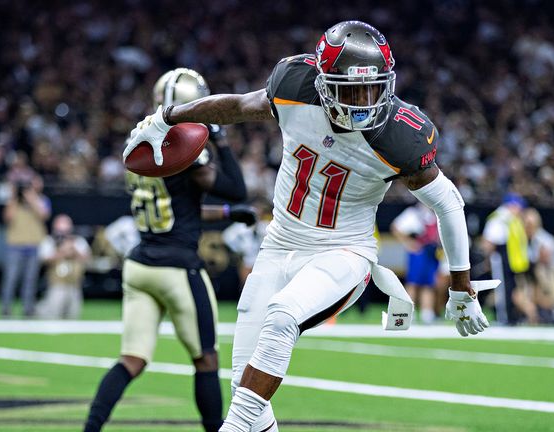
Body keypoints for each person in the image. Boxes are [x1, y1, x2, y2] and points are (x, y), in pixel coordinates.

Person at [125, 21, 487, 432]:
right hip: (280, 243)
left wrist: (461, 283)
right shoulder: (295, 85)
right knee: (247, 387)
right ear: (322, 81)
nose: (363, 102)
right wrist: (167, 116)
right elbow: (241, 106)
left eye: (372, 89)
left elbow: (448, 202)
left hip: (344, 251)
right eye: (350, 90)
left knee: (280, 322)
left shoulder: (400, 134)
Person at [84, 68, 250, 432]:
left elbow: (176, 207)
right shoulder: (183, 145)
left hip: (140, 264)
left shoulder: (140, 139)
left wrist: (224, 214)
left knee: (131, 360)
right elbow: (235, 187)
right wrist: (219, 137)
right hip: (178, 269)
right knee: (206, 360)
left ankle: (90, 429)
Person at [0, 175, 51, 317]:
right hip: (15, 245)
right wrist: (14, 197)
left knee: (30, 280)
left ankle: (28, 309)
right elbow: (7, 218)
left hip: (33, 245)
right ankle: (5, 308)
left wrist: (32, 198)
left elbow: (44, 215)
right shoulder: (13, 201)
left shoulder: (41, 200)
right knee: (11, 279)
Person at [480, 193, 534, 325]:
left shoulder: (510, 219)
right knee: (503, 289)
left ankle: (509, 317)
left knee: (509, 289)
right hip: (500, 258)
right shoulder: (499, 218)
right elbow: (489, 242)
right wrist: (488, 259)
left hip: (510, 260)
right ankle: (503, 318)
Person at [391, 203, 440, 324]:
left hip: (432, 252)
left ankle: (427, 314)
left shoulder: (434, 213)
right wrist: (408, 243)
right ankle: (407, 313)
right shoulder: (413, 213)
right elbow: (395, 228)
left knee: (429, 284)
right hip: (419, 253)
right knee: (413, 283)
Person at [36, 214, 90, 319]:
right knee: (53, 314)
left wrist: (74, 250)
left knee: (73, 315)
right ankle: (39, 309)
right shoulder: (49, 241)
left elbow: (87, 259)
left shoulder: (78, 241)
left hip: (75, 285)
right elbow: (44, 259)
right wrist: (61, 252)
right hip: (57, 284)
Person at [523, 207, 554, 325]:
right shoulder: (520, 239)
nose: (529, 227)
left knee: (548, 278)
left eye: (531, 224)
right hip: (525, 273)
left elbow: (548, 263)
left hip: (542, 274)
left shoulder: (545, 239)